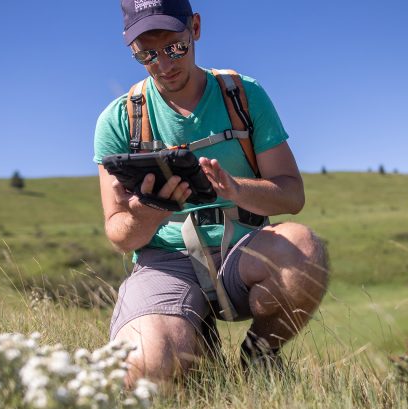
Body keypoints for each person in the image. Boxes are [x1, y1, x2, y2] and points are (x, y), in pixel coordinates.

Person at [93, 0, 328, 385]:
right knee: (147, 370)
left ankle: (259, 358)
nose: (164, 65)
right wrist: (152, 208)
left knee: (303, 249)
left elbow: (291, 196)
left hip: (244, 249)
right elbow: (120, 234)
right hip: (165, 261)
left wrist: (235, 189)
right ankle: (195, 338)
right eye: (146, 55)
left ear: (196, 28)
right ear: (130, 49)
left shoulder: (243, 95)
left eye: (175, 48)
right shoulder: (118, 119)